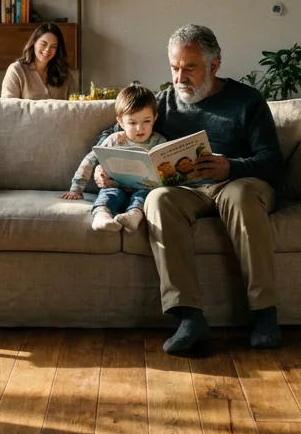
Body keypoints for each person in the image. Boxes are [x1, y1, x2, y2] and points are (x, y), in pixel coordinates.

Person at [97, 24, 282, 355]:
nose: (180, 77)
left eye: (190, 68)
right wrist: (106, 168)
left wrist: (232, 166)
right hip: (187, 190)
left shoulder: (247, 101)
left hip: (237, 183)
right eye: (174, 67)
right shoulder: (164, 103)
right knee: (158, 199)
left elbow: (271, 160)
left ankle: (264, 314)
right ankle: (189, 318)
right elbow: (117, 135)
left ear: (214, 65)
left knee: (240, 197)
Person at [63, 84, 166, 233]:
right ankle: (101, 216)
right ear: (121, 122)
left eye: (146, 121)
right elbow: (90, 160)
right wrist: (76, 188)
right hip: (115, 186)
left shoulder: (159, 141)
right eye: (132, 122)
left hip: (144, 188)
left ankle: (133, 216)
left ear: (155, 118)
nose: (140, 129)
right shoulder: (114, 140)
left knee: (143, 196)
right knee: (108, 194)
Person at [1, 23, 74, 99]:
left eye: (53, 46)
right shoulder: (16, 70)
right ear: (34, 43)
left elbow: (75, 106)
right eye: (43, 44)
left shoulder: (64, 75)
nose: (47, 50)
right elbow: (8, 107)